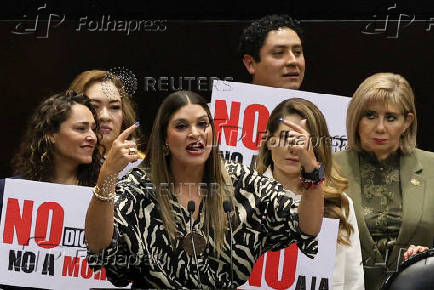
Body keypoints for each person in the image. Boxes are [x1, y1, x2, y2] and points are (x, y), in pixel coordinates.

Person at [85, 90, 323, 289]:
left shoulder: (243, 181)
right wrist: (108, 175)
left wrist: (312, 169)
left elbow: (307, 227)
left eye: (202, 124)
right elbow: (99, 246)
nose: (195, 134)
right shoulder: (139, 188)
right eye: (181, 126)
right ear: (164, 138)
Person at [334, 72, 434, 289]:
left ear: (407, 122)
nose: (380, 127)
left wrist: (430, 258)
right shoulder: (329, 168)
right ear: (356, 118)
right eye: (370, 115)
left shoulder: (433, 167)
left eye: (391, 118)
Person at [256, 98, 364, 290]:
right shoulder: (242, 195)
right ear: (269, 141)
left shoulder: (339, 204)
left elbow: (352, 282)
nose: (294, 148)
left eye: (303, 141)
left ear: (317, 147)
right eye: (286, 138)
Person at [0, 91, 101, 219]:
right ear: (50, 134)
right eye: (81, 128)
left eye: (94, 129)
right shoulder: (9, 191)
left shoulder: (103, 195)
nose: (93, 137)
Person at [68, 70, 144, 178]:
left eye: (114, 107)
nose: (105, 116)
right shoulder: (57, 165)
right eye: (94, 106)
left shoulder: (143, 169)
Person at [239, 14, 305, 90]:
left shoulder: (317, 101)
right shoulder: (230, 98)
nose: (293, 61)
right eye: (279, 52)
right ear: (250, 63)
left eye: (297, 52)